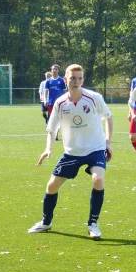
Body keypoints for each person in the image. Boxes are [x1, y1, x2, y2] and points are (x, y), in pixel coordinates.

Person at [28, 64, 113, 239]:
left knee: (98, 179)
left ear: (83, 80)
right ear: (66, 79)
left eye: (80, 78)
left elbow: (108, 117)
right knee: (51, 186)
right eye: (73, 78)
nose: (76, 81)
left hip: (95, 148)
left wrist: (108, 142)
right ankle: (46, 222)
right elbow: (52, 129)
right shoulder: (60, 103)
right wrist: (48, 148)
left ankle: (93, 224)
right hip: (72, 152)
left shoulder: (94, 98)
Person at [43, 64, 67, 140]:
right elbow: (46, 91)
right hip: (51, 103)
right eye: (53, 69)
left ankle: (57, 134)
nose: (54, 70)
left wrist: (66, 100)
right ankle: (53, 134)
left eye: (56, 69)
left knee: (60, 118)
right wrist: (45, 100)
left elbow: (65, 91)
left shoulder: (61, 80)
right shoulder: (48, 81)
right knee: (52, 119)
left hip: (60, 103)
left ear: (58, 70)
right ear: (51, 70)